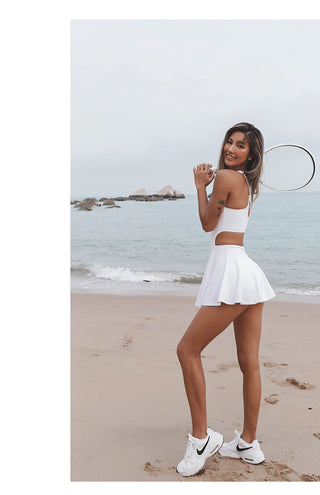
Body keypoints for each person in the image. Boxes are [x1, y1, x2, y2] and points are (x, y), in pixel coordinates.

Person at [176, 122, 275, 477]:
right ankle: (248, 443)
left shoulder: (227, 179)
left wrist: (199, 187)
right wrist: (209, 184)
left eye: (241, 146)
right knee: (249, 363)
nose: (231, 149)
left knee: (186, 350)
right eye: (229, 142)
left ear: (251, 154)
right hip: (245, 273)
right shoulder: (245, 183)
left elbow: (207, 224)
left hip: (231, 272)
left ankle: (202, 439)